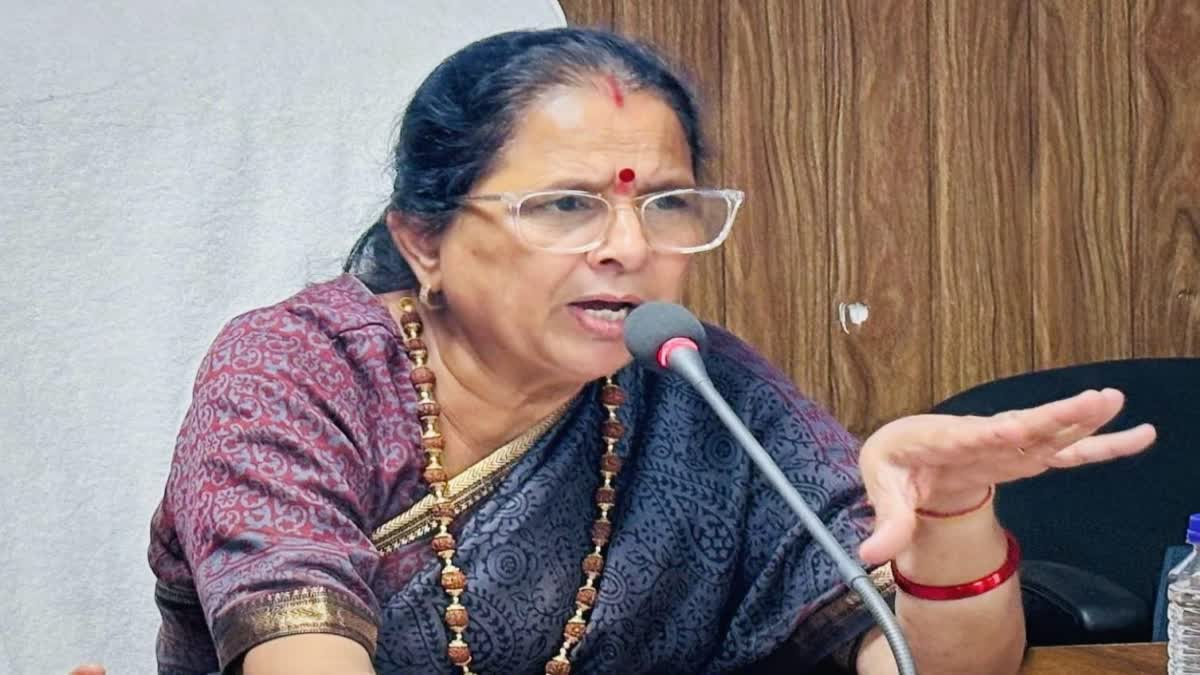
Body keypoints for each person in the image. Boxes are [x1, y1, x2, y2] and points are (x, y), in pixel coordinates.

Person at [111, 28, 1154, 675]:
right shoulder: (299, 373)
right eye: (565, 205)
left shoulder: (703, 387)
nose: (628, 246)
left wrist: (954, 518)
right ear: (425, 240)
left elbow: (929, 668)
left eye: (666, 204)